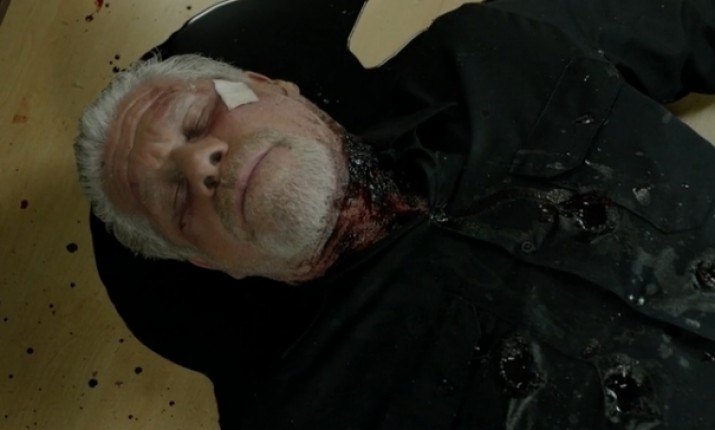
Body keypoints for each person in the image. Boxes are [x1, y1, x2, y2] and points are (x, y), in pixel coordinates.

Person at [75, 0, 715, 428]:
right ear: (209, 262)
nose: (198, 165)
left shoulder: (491, 56)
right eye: (176, 200)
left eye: (195, 120)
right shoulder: (303, 412)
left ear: (270, 86)